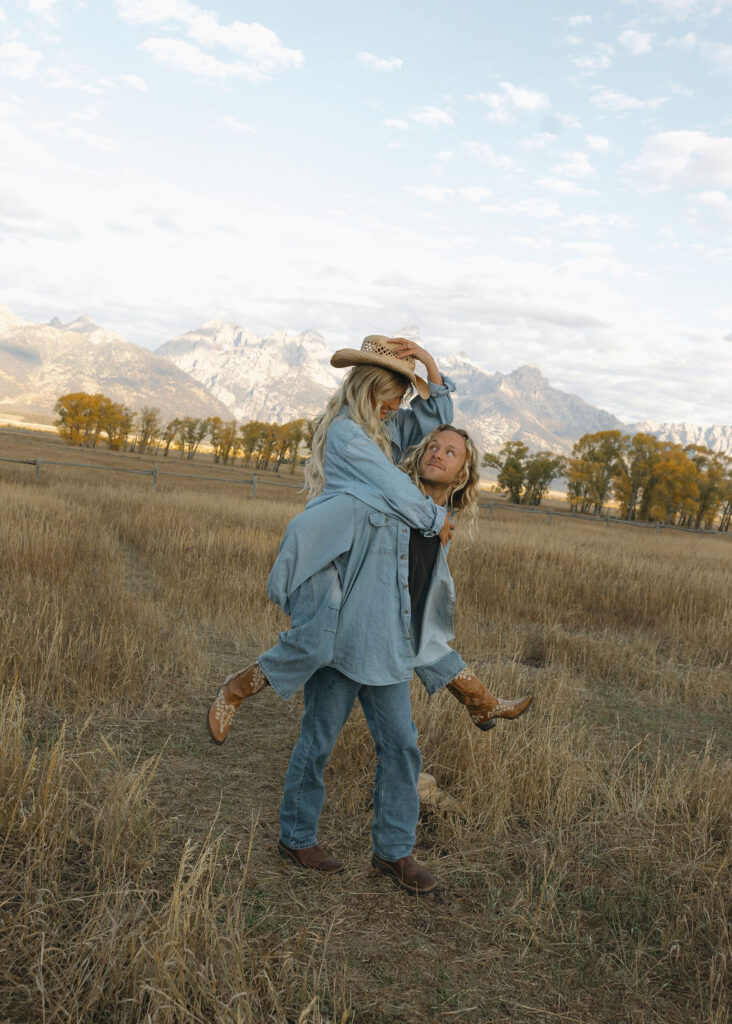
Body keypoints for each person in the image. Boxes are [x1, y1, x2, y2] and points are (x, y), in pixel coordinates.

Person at [207, 337, 531, 894]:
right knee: (317, 742)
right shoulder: (352, 440)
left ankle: (395, 852)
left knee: (402, 747)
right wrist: (432, 515)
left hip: (383, 638)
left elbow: (434, 421)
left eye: (404, 393)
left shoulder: (386, 436)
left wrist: (428, 363)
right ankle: (296, 835)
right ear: (370, 387)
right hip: (341, 618)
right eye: (393, 391)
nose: (399, 403)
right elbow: (394, 488)